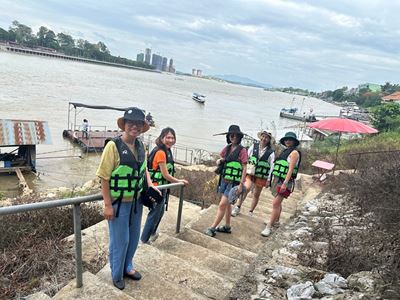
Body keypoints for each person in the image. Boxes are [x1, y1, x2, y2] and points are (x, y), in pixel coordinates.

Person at [96, 107, 157, 290]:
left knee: (133, 237)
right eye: (131, 123)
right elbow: (104, 177)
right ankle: (116, 274)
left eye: (139, 124)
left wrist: (150, 184)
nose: (135, 127)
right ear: (125, 125)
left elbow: (143, 168)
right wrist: (107, 205)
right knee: (119, 240)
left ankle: (127, 267)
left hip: (136, 202)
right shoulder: (112, 146)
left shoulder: (141, 146)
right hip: (118, 203)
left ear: (142, 127)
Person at [141, 127, 189, 244]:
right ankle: (144, 239)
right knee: (154, 213)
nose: (170, 140)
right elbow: (165, 174)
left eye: (173, 138)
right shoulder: (161, 153)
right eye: (168, 137)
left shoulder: (165, 150)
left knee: (160, 211)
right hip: (157, 188)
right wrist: (179, 181)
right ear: (162, 138)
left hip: (162, 188)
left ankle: (152, 233)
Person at [205, 125, 248, 237]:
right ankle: (227, 226)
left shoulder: (242, 151)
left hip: (234, 183)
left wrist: (241, 185)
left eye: (236, 136)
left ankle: (212, 228)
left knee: (222, 205)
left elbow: (244, 168)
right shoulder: (227, 148)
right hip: (224, 180)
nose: (233, 137)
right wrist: (220, 160)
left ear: (239, 137)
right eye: (231, 135)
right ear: (228, 137)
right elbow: (222, 157)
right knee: (227, 205)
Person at [261, 132, 301, 237]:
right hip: (278, 179)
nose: (288, 141)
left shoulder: (294, 153)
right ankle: (276, 222)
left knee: (275, 204)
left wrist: (285, 183)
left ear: (294, 142)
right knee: (278, 203)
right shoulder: (286, 151)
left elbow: (290, 170)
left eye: (290, 140)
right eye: (286, 139)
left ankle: (269, 226)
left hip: (285, 181)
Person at [231, 130, 275, 217]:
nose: (264, 139)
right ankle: (238, 207)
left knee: (256, 194)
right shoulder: (253, 146)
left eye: (266, 137)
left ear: (269, 139)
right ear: (260, 137)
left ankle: (251, 211)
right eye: (263, 136)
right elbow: (246, 158)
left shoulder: (271, 152)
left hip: (261, 175)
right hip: (250, 172)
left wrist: (269, 180)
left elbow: (272, 166)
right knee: (246, 188)